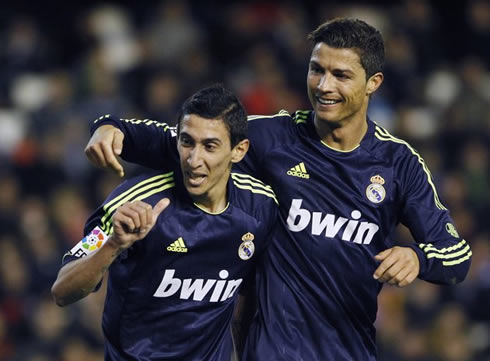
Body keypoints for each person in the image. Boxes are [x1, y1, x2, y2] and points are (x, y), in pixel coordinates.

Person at [84, 18, 472, 360]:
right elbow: (186, 143)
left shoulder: (398, 164)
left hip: (350, 349)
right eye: (316, 69)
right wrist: (112, 126)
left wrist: (419, 259)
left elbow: (456, 257)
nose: (323, 85)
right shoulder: (274, 138)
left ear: (374, 83)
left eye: (341, 75)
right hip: (270, 348)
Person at [51, 84, 278, 360]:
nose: (194, 160)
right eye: (187, 142)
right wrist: (114, 245)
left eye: (209, 146)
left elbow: (249, 297)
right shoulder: (133, 202)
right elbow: (63, 290)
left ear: (239, 150)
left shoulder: (260, 207)